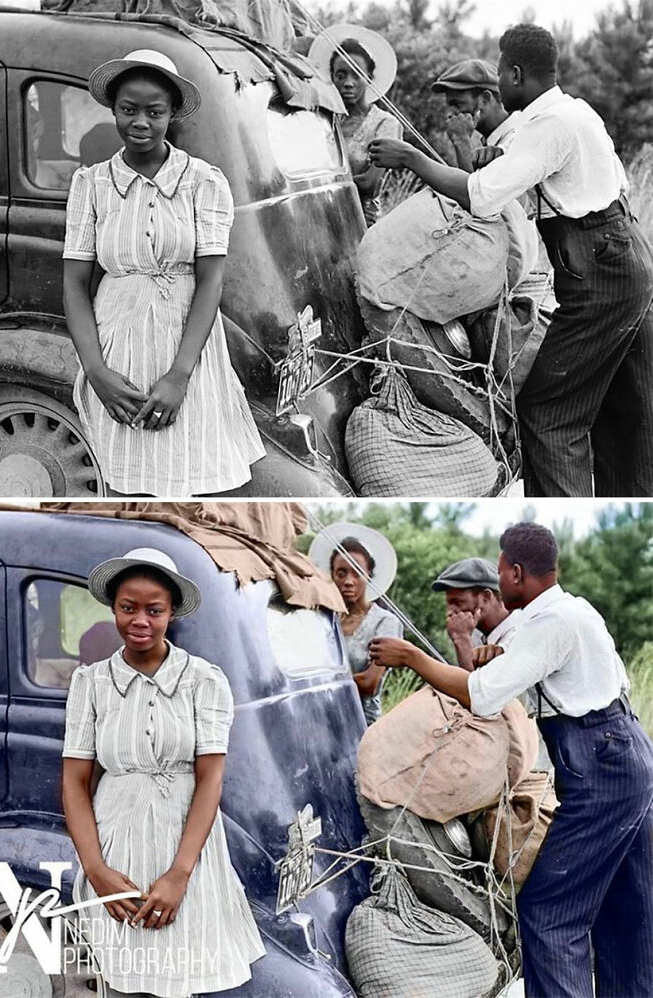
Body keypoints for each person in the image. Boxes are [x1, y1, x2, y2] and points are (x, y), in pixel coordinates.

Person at [369, 522, 653, 998]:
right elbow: (518, 658)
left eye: (501, 574)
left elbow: (480, 697)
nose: (500, 583)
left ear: (516, 574)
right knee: (629, 905)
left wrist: (412, 657)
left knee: (547, 911)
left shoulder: (551, 624)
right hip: (625, 751)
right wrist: (490, 652)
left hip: (602, 764)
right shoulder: (567, 611)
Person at [369, 23, 653, 498]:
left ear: (516, 75)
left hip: (600, 271)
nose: (498, 85)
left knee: (546, 412)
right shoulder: (572, 113)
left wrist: (412, 158)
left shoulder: (550, 126)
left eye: (500, 74)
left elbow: (480, 197)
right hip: (626, 256)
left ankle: (560, 514)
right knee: (627, 407)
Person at [62, 547, 265, 997]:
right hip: (116, 845)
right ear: (113, 608)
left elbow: (210, 777)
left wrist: (179, 874)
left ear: (171, 613)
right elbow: (75, 782)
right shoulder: (91, 683)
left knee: (179, 976)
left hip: (184, 847)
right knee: (121, 978)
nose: (139, 621)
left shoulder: (203, 680)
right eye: (127, 608)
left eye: (154, 610)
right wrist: (96, 868)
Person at [63, 49, 265, 497]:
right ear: (113, 110)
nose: (140, 123)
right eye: (128, 110)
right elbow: (75, 284)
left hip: (186, 348)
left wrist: (179, 375)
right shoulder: (91, 184)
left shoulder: (203, 182)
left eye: (154, 112)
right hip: (117, 345)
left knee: (192, 471)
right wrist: (96, 371)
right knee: (125, 476)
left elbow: (211, 279)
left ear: (171, 114)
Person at [309, 523, 403, 725]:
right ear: (332, 576)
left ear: (369, 575)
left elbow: (370, 683)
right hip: (321, 721)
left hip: (361, 725)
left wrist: (314, 685)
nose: (348, 581)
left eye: (357, 572)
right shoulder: (325, 620)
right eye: (341, 573)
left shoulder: (385, 622)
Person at [308, 24, 402, 225]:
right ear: (332, 78)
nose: (348, 83)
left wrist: (314, 186)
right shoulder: (323, 120)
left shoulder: (384, 123)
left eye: (356, 74)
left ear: (369, 78)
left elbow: (369, 182)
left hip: (360, 223)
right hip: (319, 220)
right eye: (341, 75)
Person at [431, 58, 521, 172]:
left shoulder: (516, 140)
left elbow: (473, 188)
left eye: (457, 104)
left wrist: (461, 140)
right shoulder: (494, 140)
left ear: (485, 99)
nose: (450, 114)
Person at [431, 556, 519, 670]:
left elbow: (474, 686)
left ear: (485, 597)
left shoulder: (517, 637)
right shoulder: (479, 637)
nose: (449, 612)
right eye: (448, 604)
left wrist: (461, 639)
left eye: (457, 603)